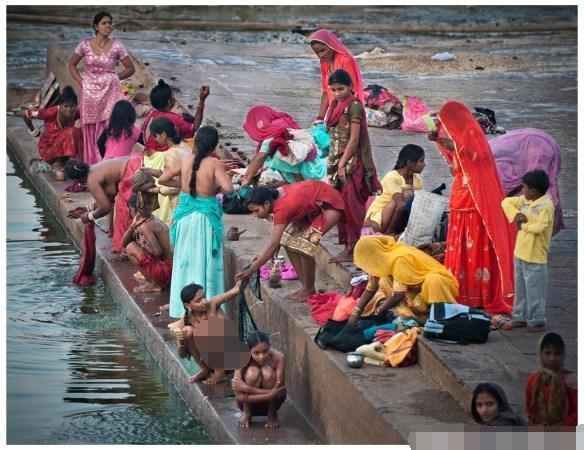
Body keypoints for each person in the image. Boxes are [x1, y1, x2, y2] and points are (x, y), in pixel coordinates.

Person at [429, 100, 516, 315]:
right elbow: (455, 163)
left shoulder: (470, 131)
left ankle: (479, 293)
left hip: (475, 196)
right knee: (460, 242)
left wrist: (456, 146)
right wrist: (438, 141)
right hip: (460, 194)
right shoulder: (457, 134)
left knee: (475, 243)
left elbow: (481, 158)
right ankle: (462, 292)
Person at [235, 181, 344, 301]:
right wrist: (270, 251)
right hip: (311, 208)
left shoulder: (283, 207)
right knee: (287, 241)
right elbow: (277, 238)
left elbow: (273, 243)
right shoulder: (277, 200)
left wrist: (252, 269)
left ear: (266, 204)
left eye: (256, 211)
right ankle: (305, 287)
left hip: (330, 205)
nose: (254, 215)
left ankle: (309, 289)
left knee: (304, 246)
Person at [168, 126, 233, 319]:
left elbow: (163, 178)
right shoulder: (214, 163)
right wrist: (214, 186)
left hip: (185, 218)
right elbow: (229, 189)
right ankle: (208, 307)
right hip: (205, 220)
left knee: (184, 261)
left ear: (195, 143)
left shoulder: (184, 158)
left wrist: (184, 186)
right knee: (205, 261)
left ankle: (182, 310)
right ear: (214, 146)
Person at [325, 69, 381, 262]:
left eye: (341, 89)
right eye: (334, 90)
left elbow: (355, 138)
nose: (338, 93)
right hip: (337, 159)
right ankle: (348, 246)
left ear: (350, 86)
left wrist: (342, 164)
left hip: (352, 163)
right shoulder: (335, 104)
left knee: (352, 206)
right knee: (340, 204)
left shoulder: (354, 106)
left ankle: (353, 247)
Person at [68, 11, 135, 165]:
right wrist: (81, 81)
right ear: (96, 26)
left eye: (110, 23)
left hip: (109, 91)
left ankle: (106, 161)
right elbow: (71, 64)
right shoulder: (84, 45)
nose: (108, 26)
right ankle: (91, 163)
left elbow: (130, 68)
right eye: (104, 23)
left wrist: (114, 79)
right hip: (89, 92)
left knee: (108, 124)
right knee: (89, 125)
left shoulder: (117, 46)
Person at [351, 235, 458, 324]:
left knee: (434, 280)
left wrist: (378, 313)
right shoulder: (386, 259)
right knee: (384, 280)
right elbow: (371, 287)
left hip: (435, 289)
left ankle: (429, 317)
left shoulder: (399, 258)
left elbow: (398, 294)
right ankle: (412, 317)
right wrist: (356, 312)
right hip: (416, 291)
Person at [501, 170, 554, 332]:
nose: (522, 190)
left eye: (524, 188)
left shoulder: (546, 206)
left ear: (534, 191)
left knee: (535, 290)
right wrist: (516, 214)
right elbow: (506, 202)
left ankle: (536, 319)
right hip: (521, 252)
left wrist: (523, 225)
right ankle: (520, 316)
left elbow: (539, 227)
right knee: (521, 288)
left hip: (535, 255)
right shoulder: (524, 200)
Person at [490, 128, 564, 236]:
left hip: (536, 145)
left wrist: (523, 226)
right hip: (537, 141)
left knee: (537, 184)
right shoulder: (490, 151)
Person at [64, 154, 142, 252]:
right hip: (136, 162)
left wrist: (88, 216)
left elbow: (105, 207)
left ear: (76, 180)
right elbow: (108, 199)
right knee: (122, 204)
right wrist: (88, 208)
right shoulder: (94, 169)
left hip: (132, 171)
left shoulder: (91, 180)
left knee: (123, 210)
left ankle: (124, 249)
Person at [242, 104, 326, 186]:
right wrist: (246, 176)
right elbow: (256, 157)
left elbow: (261, 157)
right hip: (314, 168)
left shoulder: (272, 132)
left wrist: (247, 180)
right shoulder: (279, 124)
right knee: (279, 155)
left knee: (280, 155)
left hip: (311, 174)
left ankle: (304, 190)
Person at [176, 281, 241, 385]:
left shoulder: (213, 304)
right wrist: (181, 342)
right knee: (188, 331)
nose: (205, 301)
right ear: (188, 305)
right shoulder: (185, 319)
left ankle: (220, 372)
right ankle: (205, 369)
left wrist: (249, 272)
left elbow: (236, 290)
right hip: (209, 361)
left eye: (204, 297)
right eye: (198, 300)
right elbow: (182, 355)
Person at [19, 86, 82, 180]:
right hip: (49, 149)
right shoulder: (50, 112)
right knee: (71, 131)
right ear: (60, 106)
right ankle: (58, 165)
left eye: (72, 106)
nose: (69, 110)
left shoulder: (76, 113)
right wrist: (33, 131)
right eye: (66, 106)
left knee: (79, 131)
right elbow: (25, 114)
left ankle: (69, 162)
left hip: (65, 149)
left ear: (76, 106)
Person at [141, 117, 193, 224]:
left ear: (163, 135)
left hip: (180, 201)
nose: (155, 139)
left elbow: (172, 187)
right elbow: (173, 174)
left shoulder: (171, 153)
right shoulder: (184, 147)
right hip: (190, 197)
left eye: (155, 136)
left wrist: (156, 190)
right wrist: (152, 171)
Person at [365, 144, 426, 235]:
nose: (424, 165)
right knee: (407, 195)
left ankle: (395, 231)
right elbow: (401, 205)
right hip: (378, 219)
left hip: (397, 218)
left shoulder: (418, 181)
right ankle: (390, 232)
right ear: (410, 163)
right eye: (421, 161)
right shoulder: (392, 177)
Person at [232, 331, 287, 429]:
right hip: (246, 404)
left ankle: (272, 414)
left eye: (265, 351)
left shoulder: (279, 358)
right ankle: (247, 413)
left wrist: (246, 388)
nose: (261, 356)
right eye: (256, 353)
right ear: (249, 351)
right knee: (252, 373)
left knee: (268, 373)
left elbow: (280, 393)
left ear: (270, 346)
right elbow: (239, 397)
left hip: (273, 403)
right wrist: (270, 394)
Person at [308, 28, 364, 124]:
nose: (321, 55)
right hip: (334, 109)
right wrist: (320, 117)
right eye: (317, 52)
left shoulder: (345, 61)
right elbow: (326, 91)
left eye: (323, 50)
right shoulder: (324, 63)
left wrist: (340, 115)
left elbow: (352, 91)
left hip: (348, 111)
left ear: (331, 45)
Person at [121, 190, 173, 293]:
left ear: (134, 209)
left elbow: (157, 252)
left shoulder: (145, 225)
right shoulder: (148, 219)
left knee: (130, 248)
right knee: (131, 245)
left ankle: (155, 284)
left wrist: (145, 246)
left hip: (166, 271)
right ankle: (152, 280)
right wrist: (132, 227)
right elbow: (123, 243)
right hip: (169, 269)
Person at [141, 79, 209, 152]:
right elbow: (195, 127)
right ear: (169, 102)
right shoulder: (173, 118)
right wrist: (202, 100)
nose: (174, 98)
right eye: (172, 96)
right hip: (162, 156)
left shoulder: (151, 113)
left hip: (149, 151)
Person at [525, 332, 577, 426]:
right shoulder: (533, 380)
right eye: (547, 353)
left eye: (557, 353)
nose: (552, 358)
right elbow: (529, 408)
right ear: (541, 354)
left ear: (563, 355)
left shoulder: (570, 381)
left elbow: (577, 412)